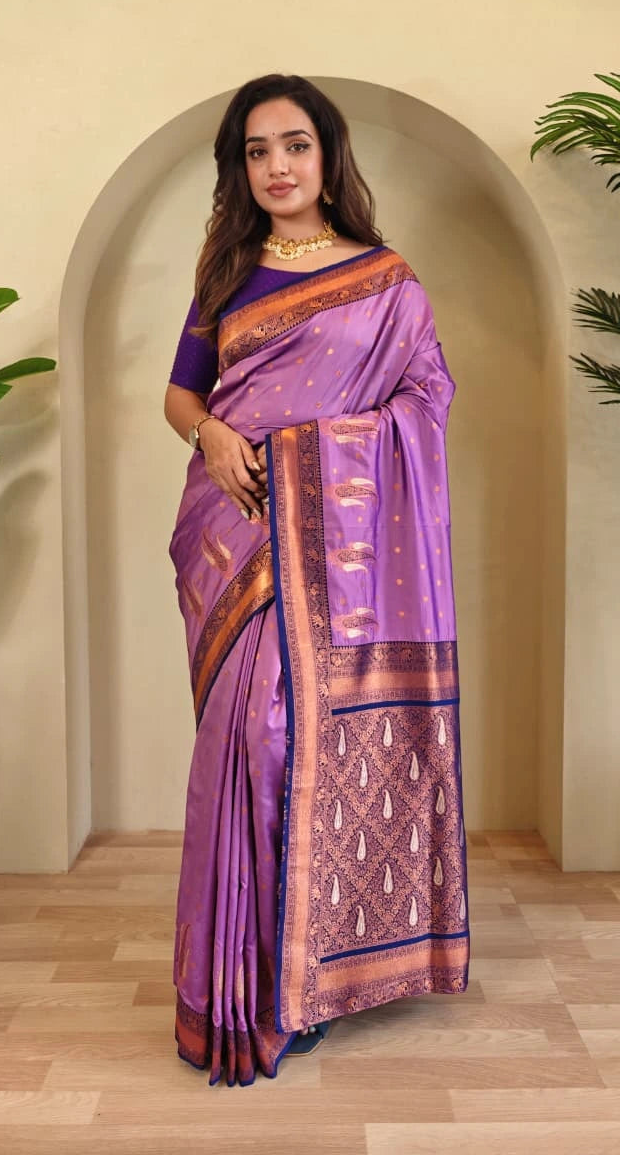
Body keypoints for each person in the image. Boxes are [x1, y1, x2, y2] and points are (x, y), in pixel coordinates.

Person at [165, 74, 470, 1087]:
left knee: (306, 742)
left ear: (326, 154)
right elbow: (181, 395)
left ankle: (310, 973)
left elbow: (427, 397)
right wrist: (209, 433)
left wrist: (313, 452)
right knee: (246, 742)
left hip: (336, 551)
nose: (278, 166)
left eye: (293, 144)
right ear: (240, 169)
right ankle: (241, 982)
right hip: (238, 539)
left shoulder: (386, 281)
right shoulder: (228, 273)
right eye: (257, 151)